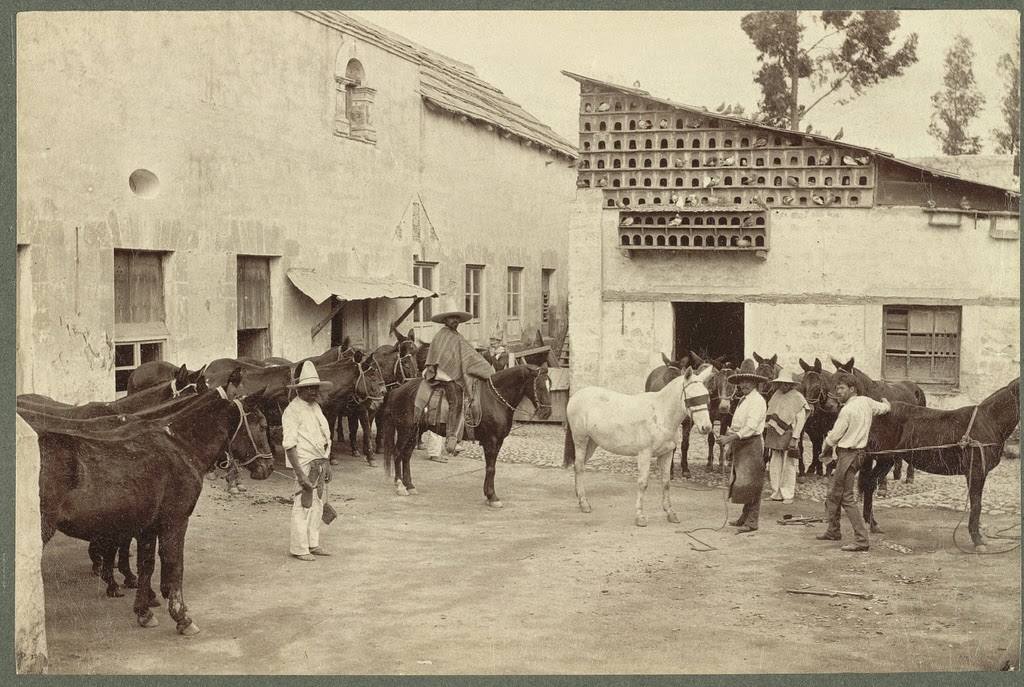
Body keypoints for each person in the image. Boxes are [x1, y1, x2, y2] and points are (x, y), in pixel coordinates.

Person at [816, 376, 890, 552]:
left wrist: (825, 450)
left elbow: (834, 437)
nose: (838, 392)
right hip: (858, 454)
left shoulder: (847, 410)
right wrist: (886, 402)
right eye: (837, 388)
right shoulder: (866, 402)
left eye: (842, 388)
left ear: (852, 389)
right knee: (834, 492)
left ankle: (862, 540)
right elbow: (884, 408)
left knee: (846, 497)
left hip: (848, 454)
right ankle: (833, 531)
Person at [422, 307, 495, 460]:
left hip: (453, 375)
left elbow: (468, 355)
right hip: (445, 376)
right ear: (445, 320)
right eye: (451, 318)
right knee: (456, 403)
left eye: (457, 318)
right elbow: (442, 358)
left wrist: (485, 369)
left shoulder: (456, 336)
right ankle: (451, 439)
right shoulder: (442, 336)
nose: (455, 320)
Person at [282, 360, 334, 561]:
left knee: (317, 503)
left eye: (315, 388)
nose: (313, 392)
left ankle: (313, 543)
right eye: (309, 388)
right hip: (304, 463)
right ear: (299, 389)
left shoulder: (316, 408)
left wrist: (326, 462)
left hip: (320, 461)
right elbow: (289, 445)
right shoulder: (292, 410)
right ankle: (299, 548)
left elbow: (324, 437)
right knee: (303, 502)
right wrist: (300, 474)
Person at [716, 358, 769, 533]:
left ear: (755, 383)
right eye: (742, 381)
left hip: (751, 444)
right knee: (743, 482)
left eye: (748, 381)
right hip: (741, 443)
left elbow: (750, 427)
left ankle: (752, 521)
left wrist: (729, 439)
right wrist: (730, 444)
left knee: (752, 483)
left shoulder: (757, 401)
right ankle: (745, 517)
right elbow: (737, 425)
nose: (744, 385)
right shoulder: (743, 400)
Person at [765, 368, 810, 505]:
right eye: (781, 383)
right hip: (775, 433)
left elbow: (801, 420)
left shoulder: (797, 397)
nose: (783, 386)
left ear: (791, 384)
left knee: (789, 465)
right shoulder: (776, 395)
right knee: (775, 463)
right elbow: (771, 413)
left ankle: (788, 494)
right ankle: (776, 493)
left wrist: (795, 437)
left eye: (786, 383)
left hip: (789, 433)